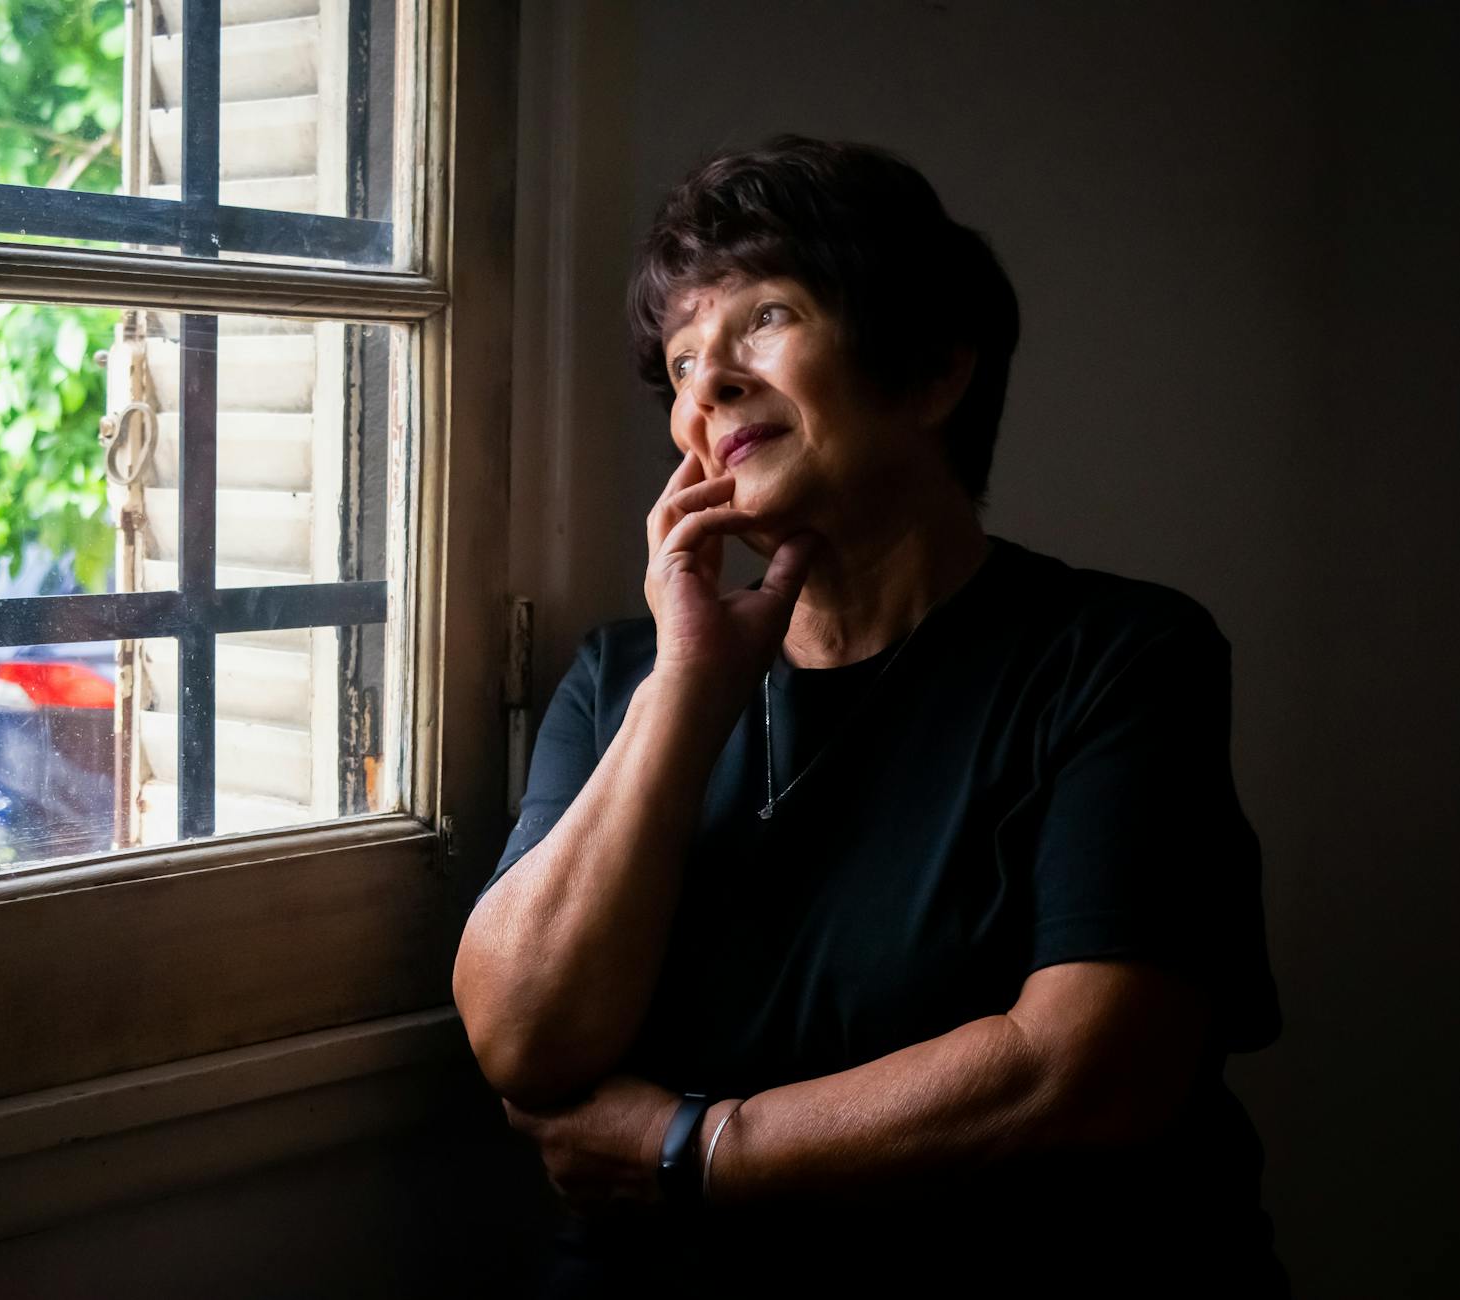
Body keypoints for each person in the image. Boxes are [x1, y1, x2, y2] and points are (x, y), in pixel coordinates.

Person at [451, 136, 1286, 1296]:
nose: (709, 384)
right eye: (683, 361)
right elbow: (523, 1039)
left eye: (767, 318)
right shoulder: (623, 678)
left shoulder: (1119, 657)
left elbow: (1091, 1070)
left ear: (936, 368)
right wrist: (689, 689)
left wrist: (689, 1148)